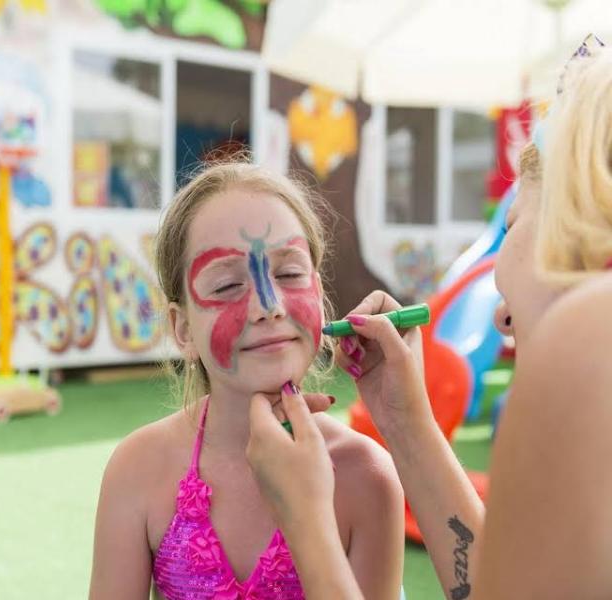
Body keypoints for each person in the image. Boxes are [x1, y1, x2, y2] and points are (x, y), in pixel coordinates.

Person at [246, 37, 612, 600]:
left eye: (511, 222)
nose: (502, 320)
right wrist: (408, 425)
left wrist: (308, 521)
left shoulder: (588, 344)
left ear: (578, 219)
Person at [89, 162, 405, 599]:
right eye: (226, 285)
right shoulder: (139, 468)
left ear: (318, 294)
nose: (269, 305)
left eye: (289, 274)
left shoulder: (366, 476)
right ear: (183, 329)